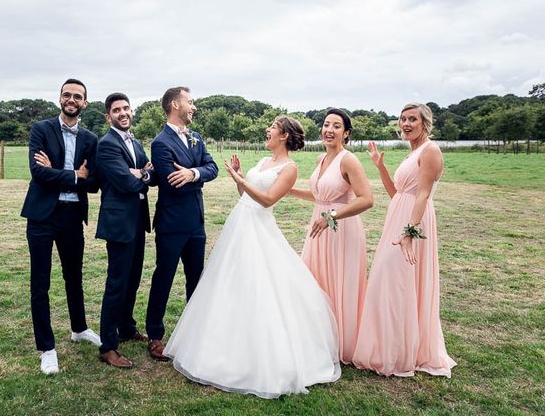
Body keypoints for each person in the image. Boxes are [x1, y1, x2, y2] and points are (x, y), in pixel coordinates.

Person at [164, 117, 342, 399]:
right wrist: (240, 178)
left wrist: (239, 179)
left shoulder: (290, 168)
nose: (267, 130)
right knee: (228, 284)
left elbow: (268, 200)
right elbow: (244, 196)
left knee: (260, 285)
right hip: (240, 223)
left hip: (259, 227)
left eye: (272, 127)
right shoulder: (261, 161)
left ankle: (264, 355)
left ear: (284, 135)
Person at [352, 103, 457, 377]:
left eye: (413, 119)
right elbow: (397, 193)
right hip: (398, 217)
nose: (406, 124)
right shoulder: (413, 153)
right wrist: (380, 167)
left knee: (397, 281)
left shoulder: (431, 151)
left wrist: (411, 233)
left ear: (425, 123)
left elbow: (421, 195)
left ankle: (399, 352)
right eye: (403, 119)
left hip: (413, 223)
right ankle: (391, 347)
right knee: (389, 281)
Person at [20, 78, 100, 375]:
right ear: (60, 98)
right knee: (40, 283)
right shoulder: (42, 129)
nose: (71, 99)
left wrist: (61, 173)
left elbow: (93, 183)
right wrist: (73, 175)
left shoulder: (91, 139)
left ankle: (79, 329)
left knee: (73, 276)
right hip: (41, 215)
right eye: (67, 94)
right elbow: (38, 173)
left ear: (84, 103)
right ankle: (47, 348)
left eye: (77, 96)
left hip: (71, 215)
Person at [290, 109, 373, 364]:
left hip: (341, 229)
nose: (329, 130)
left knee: (338, 283)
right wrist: (289, 190)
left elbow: (367, 200)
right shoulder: (320, 159)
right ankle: (319, 338)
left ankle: (341, 344)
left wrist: (331, 217)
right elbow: (320, 196)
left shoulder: (349, 161)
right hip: (318, 230)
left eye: (337, 126)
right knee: (315, 281)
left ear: (346, 133)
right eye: (326, 124)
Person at [145, 87, 218, 361]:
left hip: (196, 223)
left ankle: (195, 332)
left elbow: (212, 168)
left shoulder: (197, 138)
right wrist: (192, 175)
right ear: (175, 104)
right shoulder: (160, 142)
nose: (194, 107)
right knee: (163, 278)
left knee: (196, 279)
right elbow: (171, 182)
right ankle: (154, 335)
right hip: (171, 223)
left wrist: (192, 172)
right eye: (190, 102)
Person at [95, 92, 157, 368]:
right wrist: (139, 175)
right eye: (117, 110)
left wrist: (140, 173)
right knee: (117, 283)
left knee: (133, 279)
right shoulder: (107, 145)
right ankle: (108, 346)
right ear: (109, 116)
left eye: (126, 108)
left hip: (137, 221)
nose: (123, 113)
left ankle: (127, 328)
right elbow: (125, 184)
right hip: (119, 224)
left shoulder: (135, 142)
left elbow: (151, 175)